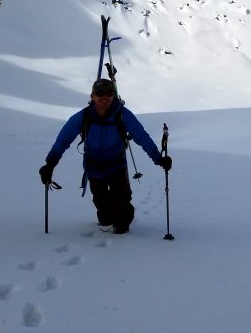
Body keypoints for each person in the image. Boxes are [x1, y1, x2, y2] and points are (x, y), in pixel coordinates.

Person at [39, 78, 172, 234]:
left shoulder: (122, 114)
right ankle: (106, 226)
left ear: (113, 96)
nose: (105, 97)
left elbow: (141, 136)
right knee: (102, 205)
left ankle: (122, 237)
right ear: (92, 96)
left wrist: (158, 158)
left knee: (122, 203)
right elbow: (63, 140)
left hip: (116, 164)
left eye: (109, 93)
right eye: (100, 93)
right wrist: (50, 164)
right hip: (93, 165)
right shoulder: (83, 117)